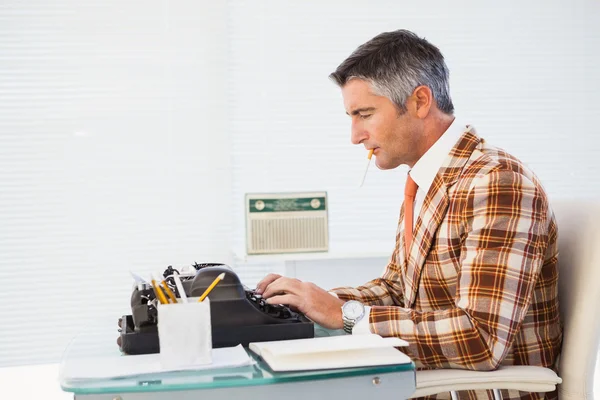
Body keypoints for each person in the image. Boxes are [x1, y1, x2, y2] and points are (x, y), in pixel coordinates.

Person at [256, 29, 562, 400]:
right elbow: (399, 289)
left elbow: (480, 338)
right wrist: (307, 303)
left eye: (364, 114)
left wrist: (346, 315)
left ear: (419, 101)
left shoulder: (496, 182)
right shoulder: (430, 179)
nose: (355, 136)